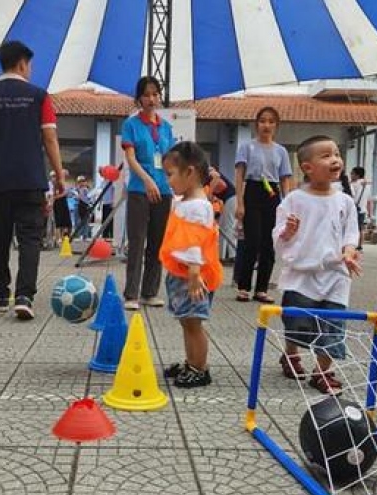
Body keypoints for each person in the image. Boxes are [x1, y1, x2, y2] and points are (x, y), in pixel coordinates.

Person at [0, 40, 65, 319]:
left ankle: (0, 294)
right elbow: (50, 138)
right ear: (23, 63)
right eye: (30, 65)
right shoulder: (39, 96)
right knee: (30, 239)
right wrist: (59, 175)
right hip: (31, 179)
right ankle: (24, 296)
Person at [272, 136, 361, 395]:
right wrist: (288, 232)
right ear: (307, 168)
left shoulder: (345, 201)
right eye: (326, 156)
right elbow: (278, 235)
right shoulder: (294, 200)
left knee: (333, 325)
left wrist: (349, 253)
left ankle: (322, 372)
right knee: (297, 322)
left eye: (337, 154)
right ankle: (291, 354)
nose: (335, 160)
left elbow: (351, 233)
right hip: (302, 275)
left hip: (336, 275)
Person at [158, 142, 222, 388]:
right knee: (187, 321)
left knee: (193, 323)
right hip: (182, 274)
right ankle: (192, 362)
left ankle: (200, 368)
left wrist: (195, 274)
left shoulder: (197, 206)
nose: (168, 181)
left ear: (190, 172)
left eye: (170, 174)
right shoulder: (187, 201)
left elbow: (195, 243)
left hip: (193, 277)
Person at [121, 76, 175, 311]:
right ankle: (131, 294)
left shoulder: (166, 127)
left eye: (155, 94)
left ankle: (150, 292)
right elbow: (130, 158)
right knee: (137, 241)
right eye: (146, 94)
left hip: (163, 191)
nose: (151, 99)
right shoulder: (131, 125)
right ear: (139, 98)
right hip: (139, 189)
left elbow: (171, 160)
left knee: (157, 242)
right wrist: (147, 180)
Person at [234, 106, 294, 303]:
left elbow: (284, 178)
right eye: (262, 121)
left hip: (272, 194)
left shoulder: (281, 151)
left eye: (271, 122)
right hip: (252, 190)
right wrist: (240, 203)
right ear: (256, 124)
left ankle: (261, 289)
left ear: (276, 126)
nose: (266, 125)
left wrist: (287, 204)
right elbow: (239, 175)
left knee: (269, 243)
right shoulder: (247, 147)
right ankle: (243, 286)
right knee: (252, 241)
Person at [208, 165, 237, 262]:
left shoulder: (207, 170)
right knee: (225, 227)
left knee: (227, 227)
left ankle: (230, 255)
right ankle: (226, 255)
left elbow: (216, 176)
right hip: (230, 199)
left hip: (231, 198)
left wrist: (210, 193)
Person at [349, 166, 372, 250]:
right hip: (362, 210)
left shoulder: (353, 185)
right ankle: (360, 245)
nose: (351, 175)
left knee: (353, 228)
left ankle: (353, 244)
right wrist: (370, 214)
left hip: (354, 209)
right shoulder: (367, 186)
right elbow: (369, 201)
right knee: (361, 228)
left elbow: (351, 197)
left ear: (357, 175)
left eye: (352, 174)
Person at [52, 169, 73, 243]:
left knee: (66, 222)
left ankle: (64, 237)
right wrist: (55, 197)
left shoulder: (66, 184)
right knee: (58, 222)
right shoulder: (56, 183)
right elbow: (56, 193)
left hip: (63, 202)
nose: (65, 176)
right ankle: (58, 238)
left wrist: (56, 197)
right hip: (58, 203)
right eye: (64, 175)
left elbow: (66, 193)